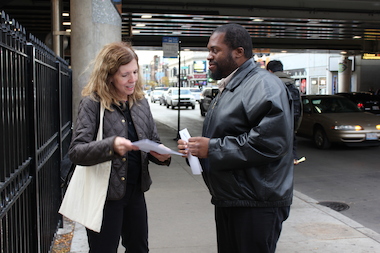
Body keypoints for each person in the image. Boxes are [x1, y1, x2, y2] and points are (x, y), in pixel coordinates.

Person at [177, 23, 294, 253]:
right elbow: (228, 135)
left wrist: (212, 148)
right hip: (233, 199)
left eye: (215, 50)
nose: (208, 56)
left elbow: (270, 143)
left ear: (238, 52)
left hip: (256, 203)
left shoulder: (263, 85)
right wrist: (197, 150)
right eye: (208, 50)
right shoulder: (233, 86)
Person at [68, 41, 171, 253]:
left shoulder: (141, 102)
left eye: (135, 72)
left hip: (135, 193)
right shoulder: (93, 103)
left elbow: (153, 140)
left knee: (139, 248)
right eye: (125, 74)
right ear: (109, 75)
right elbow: (77, 152)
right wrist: (111, 146)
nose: (133, 79)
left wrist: (161, 155)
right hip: (104, 196)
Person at [266, 60, 304, 165]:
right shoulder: (293, 87)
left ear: (269, 71)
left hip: (272, 128)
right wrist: (294, 128)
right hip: (289, 126)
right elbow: (298, 110)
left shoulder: (267, 84)